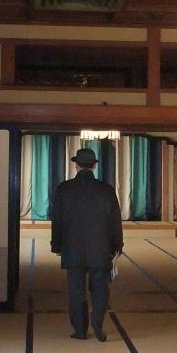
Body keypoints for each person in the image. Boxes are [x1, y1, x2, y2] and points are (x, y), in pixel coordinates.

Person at [50, 146, 123, 342]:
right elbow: (115, 221)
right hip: (101, 248)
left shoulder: (64, 189)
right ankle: (97, 323)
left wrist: (56, 245)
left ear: (76, 165)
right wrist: (117, 246)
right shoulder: (106, 190)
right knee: (100, 289)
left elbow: (57, 221)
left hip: (73, 248)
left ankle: (80, 330)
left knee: (76, 291)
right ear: (94, 166)